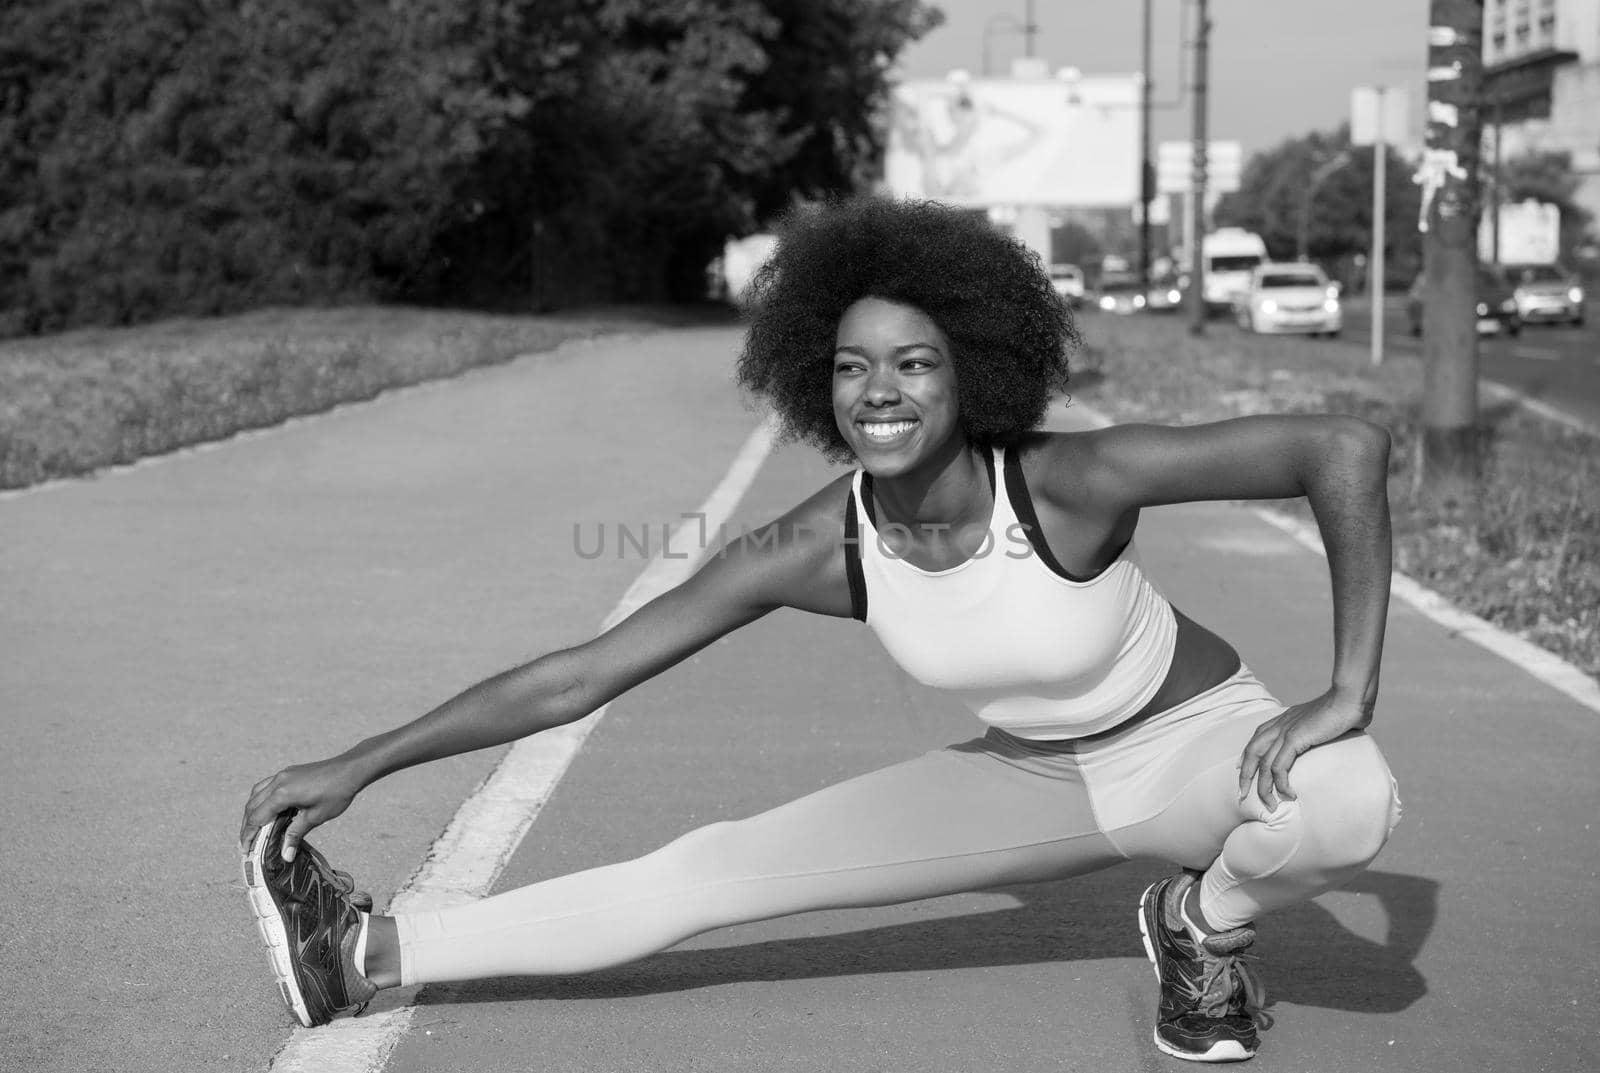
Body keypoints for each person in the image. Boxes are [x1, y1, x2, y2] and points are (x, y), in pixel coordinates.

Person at [240, 197, 1401, 1063]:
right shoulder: (822, 542)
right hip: (1032, 779)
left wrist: (1343, 689)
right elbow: (584, 674)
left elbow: (1338, 447)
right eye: (852, 368)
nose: (878, 391)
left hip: (1202, 743)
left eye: (913, 362)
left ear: (974, 372)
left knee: (1349, 799)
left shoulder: (1070, 481)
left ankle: (1198, 923)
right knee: (704, 874)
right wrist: (364, 760)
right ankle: (365, 950)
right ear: (817, 383)